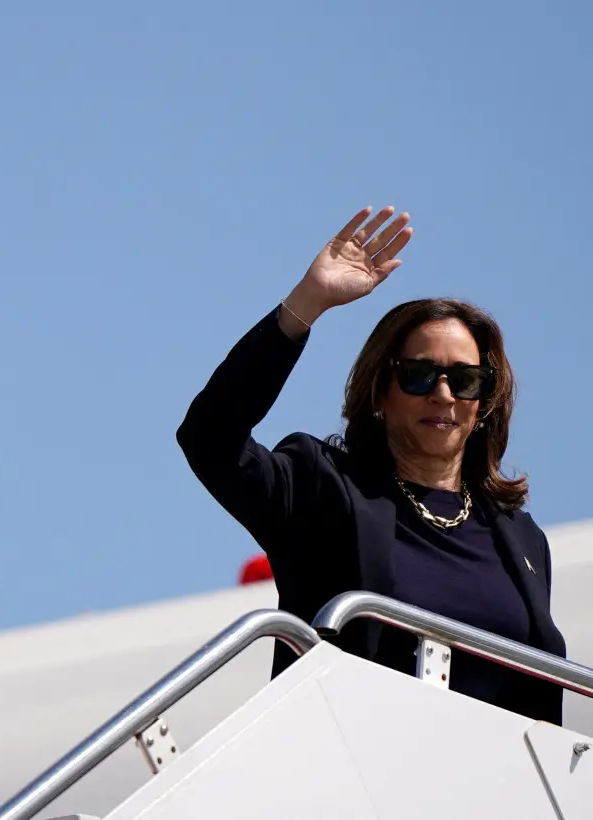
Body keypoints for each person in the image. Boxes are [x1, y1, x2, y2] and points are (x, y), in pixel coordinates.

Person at [176, 205, 566, 724]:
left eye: (464, 380)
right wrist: (306, 305)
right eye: (419, 376)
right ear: (381, 389)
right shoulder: (322, 488)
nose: (443, 395)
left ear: (485, 401)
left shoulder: (520, 537)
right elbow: (210, 438)